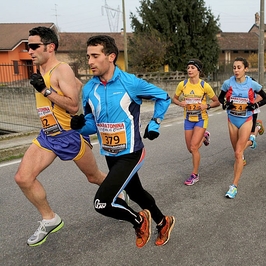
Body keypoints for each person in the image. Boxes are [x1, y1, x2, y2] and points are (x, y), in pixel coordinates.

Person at [70, 35, 175, 248]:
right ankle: (164, 222)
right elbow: (93, 124)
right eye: (88, 56)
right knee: (136, 192)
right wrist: (80, 125)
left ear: (110, 57)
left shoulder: (130, 83)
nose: (89, 61)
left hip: (131, 153)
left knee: (102, 203)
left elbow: (163, 97)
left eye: (95, 56)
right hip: (110, 153)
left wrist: (155, 123)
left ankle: (139, 220)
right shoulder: (89, 88)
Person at [14, 26, 107, 247]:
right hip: (47, 136)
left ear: (50, 47)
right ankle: (50, 219)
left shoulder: (61, 69)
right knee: (23, 178)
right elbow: (78, 86)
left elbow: (73, 106)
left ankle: (119, 191)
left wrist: (45, 90)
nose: (30, 50)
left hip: (69, 136)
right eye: (29, 46)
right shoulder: (43, 72)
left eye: (35, 46)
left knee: (93, 177)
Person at [218, 57, 266, 198]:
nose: (236, 70)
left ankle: (233, 186)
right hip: (232, 120)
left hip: (246, 120)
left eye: (239, 67)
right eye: (234, 67)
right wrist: (225, 104)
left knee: (238, 154)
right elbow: (220, 99)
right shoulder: (228, 83)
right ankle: (252, 139)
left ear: (245, 69)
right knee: (236, 151)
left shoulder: (252, 84)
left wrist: (254, 105)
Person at [172, 59, 220, 185]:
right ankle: (204, 138)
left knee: (194, 147)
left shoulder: (204, 86)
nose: (189, 70)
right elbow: (174, 99)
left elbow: (217, 102)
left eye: (192, 67)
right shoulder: (183, 84)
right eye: (188, 67)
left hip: (201, 119)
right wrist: (180, 103)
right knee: (190, 149)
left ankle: (195, 174)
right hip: (188, 119)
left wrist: (207, 106)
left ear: (198, 70)